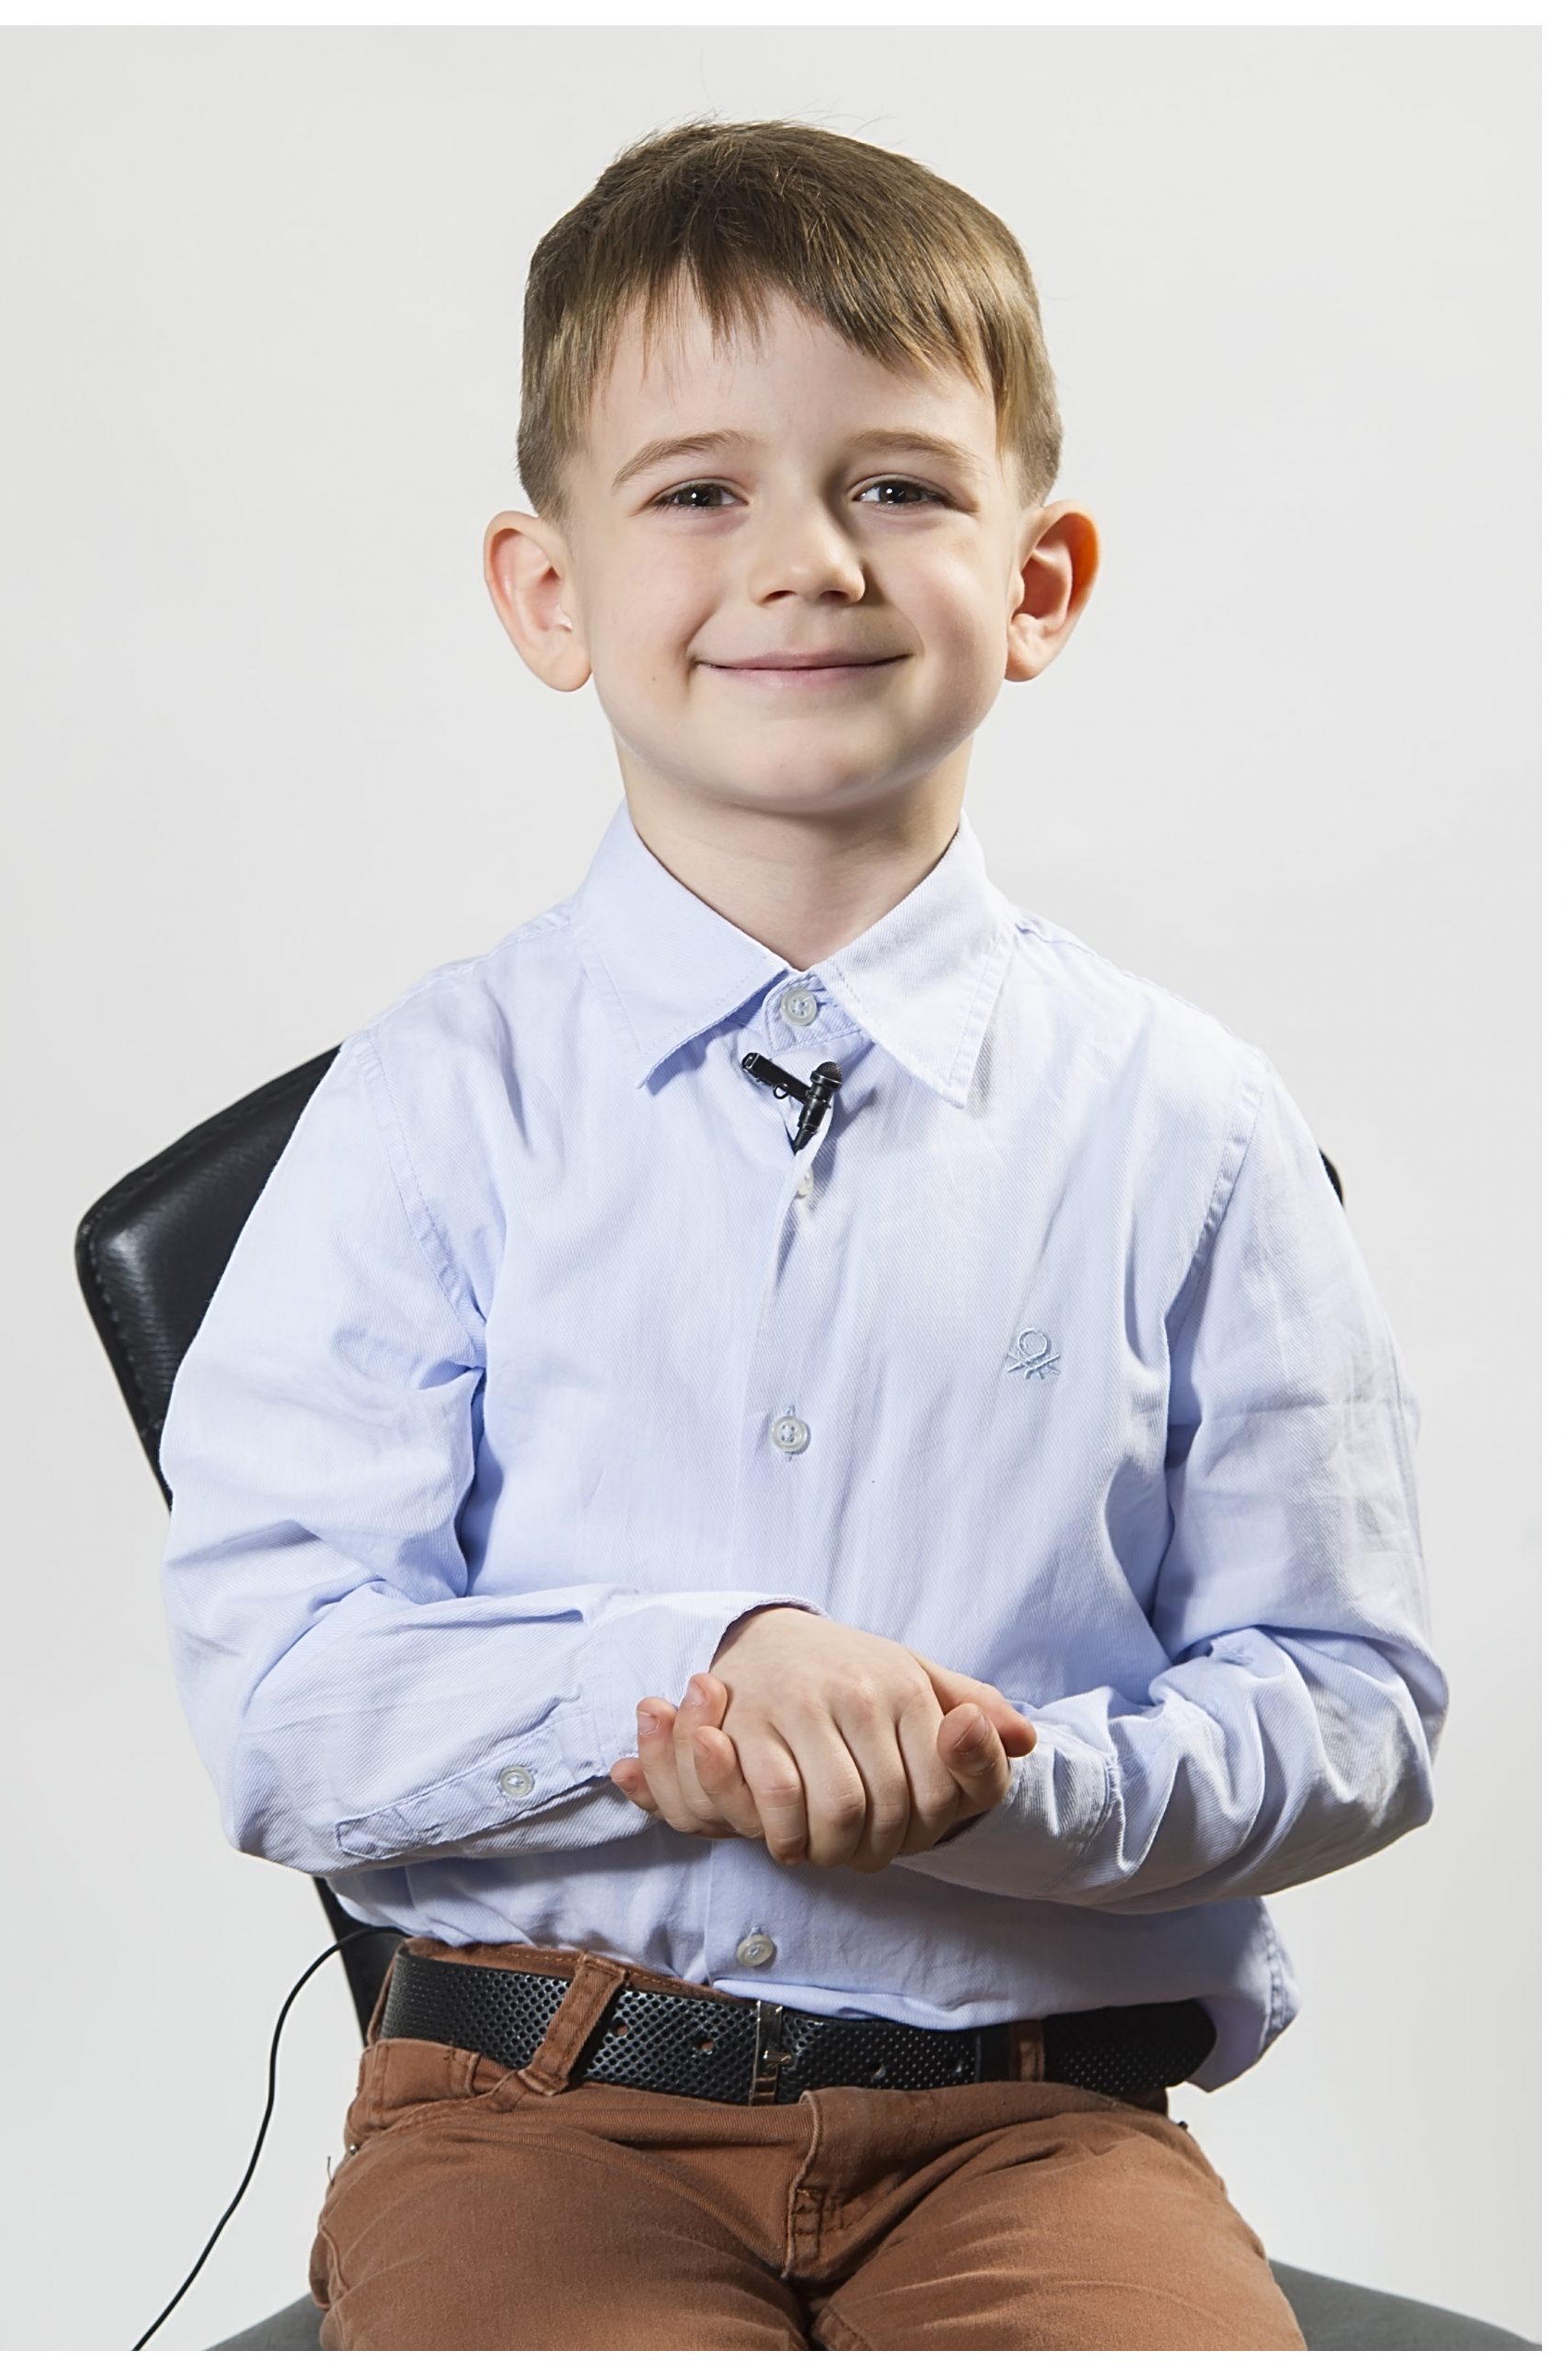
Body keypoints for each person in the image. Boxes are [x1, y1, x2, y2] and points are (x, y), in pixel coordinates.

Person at [156, 115, 1447, 2352]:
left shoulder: (1194, 1128)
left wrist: (1006, 1789)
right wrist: (681, 1672)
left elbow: (1351, 1702)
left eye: (899, 484)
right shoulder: (432, 1101)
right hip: (531, 2114)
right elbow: (282, 1701)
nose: (806, 560)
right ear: (546, 591)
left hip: (1031, 2126)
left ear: (1036, 582)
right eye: (695, 491)